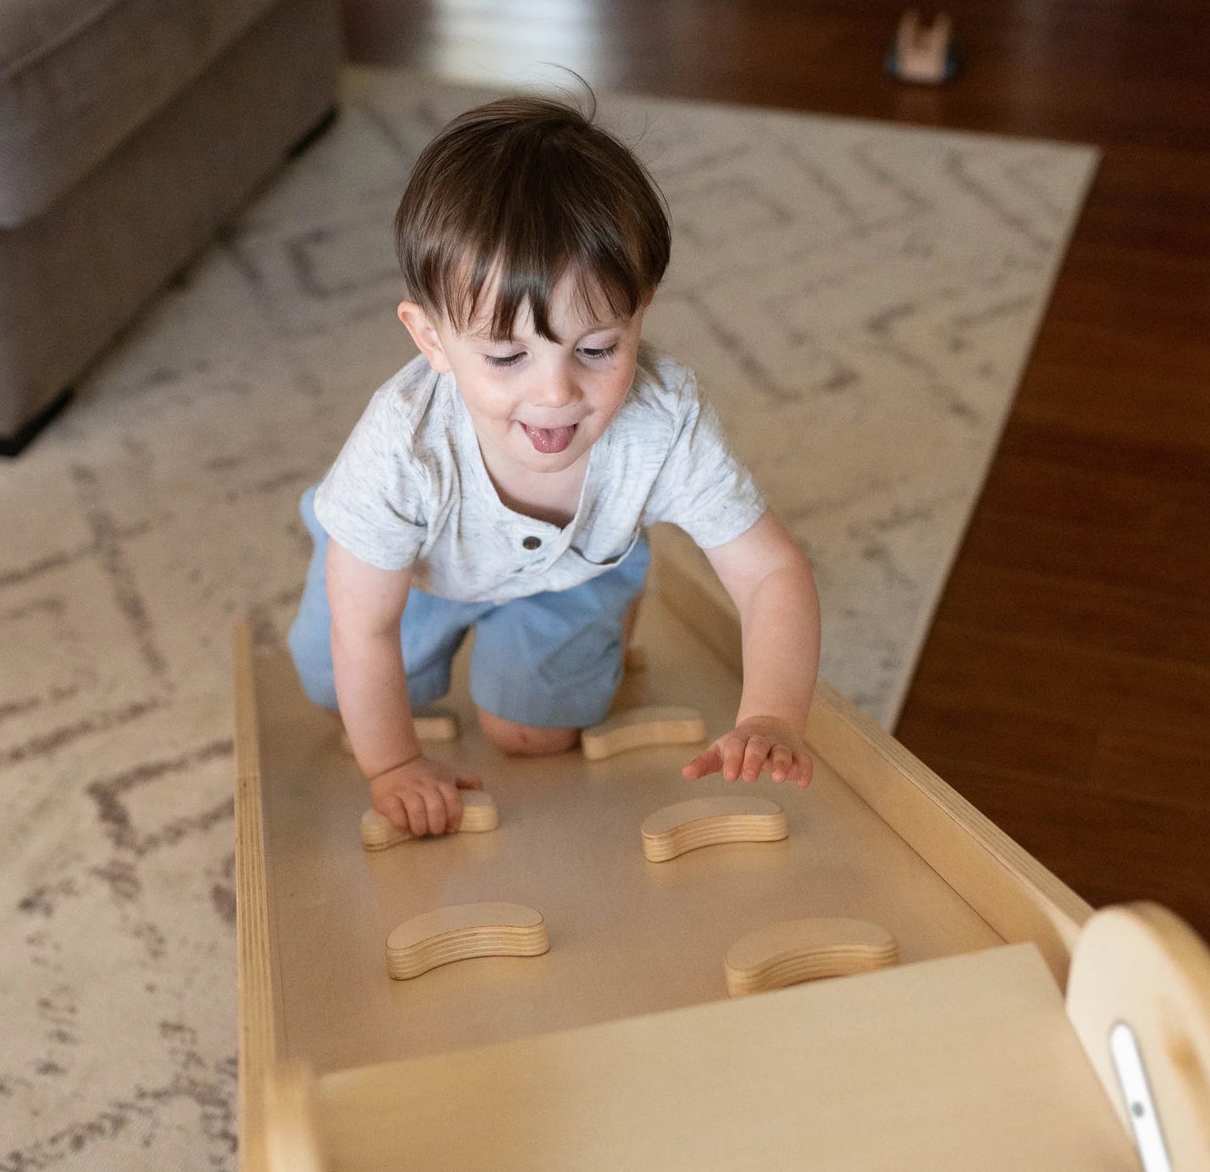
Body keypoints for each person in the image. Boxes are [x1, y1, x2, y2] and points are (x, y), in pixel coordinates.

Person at [288, 90, 821, 841]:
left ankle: (618, 581)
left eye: (597, 348)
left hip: (571, 569)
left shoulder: (663, 421)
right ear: (431, 339)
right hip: (414, 575)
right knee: (333, 682)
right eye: (507, 357)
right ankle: (339, 535)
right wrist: (394, 765)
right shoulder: (402, 447)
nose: (556, 394)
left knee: (531, 734)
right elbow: (365, 627)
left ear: (641, 306)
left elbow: (772, 574)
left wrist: (771, 713)